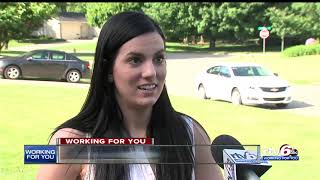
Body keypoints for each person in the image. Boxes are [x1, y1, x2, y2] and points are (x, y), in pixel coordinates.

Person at [36, 11, 223, 180]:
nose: (151, 72)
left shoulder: (190, 134)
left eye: (158, 59)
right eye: (135, 60)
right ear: (108, 70)